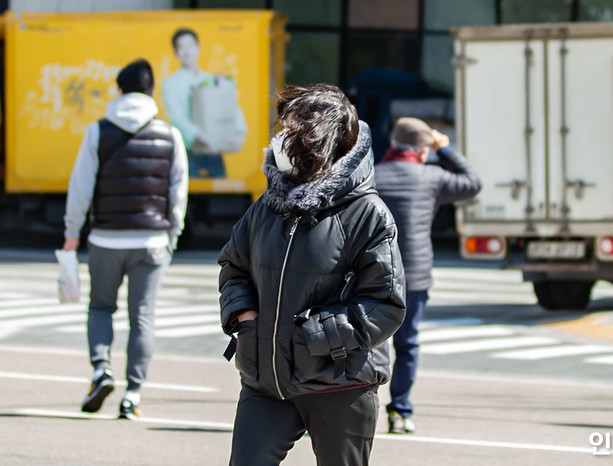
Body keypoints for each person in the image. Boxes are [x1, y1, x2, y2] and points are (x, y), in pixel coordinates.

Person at [218, 84, 406, 465]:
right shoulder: (269, 204)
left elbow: (385, 303)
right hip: (265, 380)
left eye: (293, 131)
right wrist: (245, 317)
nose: (281, 140)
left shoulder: (368, 214)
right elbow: (233, 265)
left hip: (339, 383)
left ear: (319, 141)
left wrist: (316, 335)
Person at [63, 58, 188, 420]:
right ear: (151, 92)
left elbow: (80, 189)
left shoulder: (97, 131)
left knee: (101, 307)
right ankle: (132, 395)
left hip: (105, 239)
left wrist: (72, 233)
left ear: (118, 90)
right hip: (151, 242)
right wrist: (171, 236)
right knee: (142, 316)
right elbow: (178, 193)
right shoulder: (171, 135)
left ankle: (101, 370)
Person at [375, 117, 482, 434]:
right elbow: (472, 182)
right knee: (407, 345)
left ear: (394, 145)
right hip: (415, 278)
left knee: (360, 344)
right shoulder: (433, 177)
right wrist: (445, 150)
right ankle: (400, 411)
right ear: (423, 151)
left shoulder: (373, 176)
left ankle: (342, 408)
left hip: (372, 273)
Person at [162, 27, 247, 179]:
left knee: (220, 200)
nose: (187, 51)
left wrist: (238, 133)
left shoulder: (211, 79)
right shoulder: (170, 83)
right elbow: (178, 119)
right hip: (188, 154)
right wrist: (204, 138)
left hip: (214, 153)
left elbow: (230, 107)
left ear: (198, 48)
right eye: (181, 47)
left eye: (190, 45)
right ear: (176, 53)